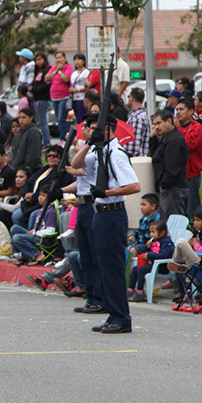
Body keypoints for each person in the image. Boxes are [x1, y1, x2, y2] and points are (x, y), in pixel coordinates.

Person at [72, 114, 141, 334]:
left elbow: (134, 186)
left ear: (108, 129)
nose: (92, 132)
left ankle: (122, 317)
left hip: (112, 213)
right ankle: (113, 313)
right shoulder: (99, 150)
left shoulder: (116, 153)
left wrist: (107, 192)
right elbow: (76, 163)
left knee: (112, 267)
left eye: (95, 129)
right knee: (103, 266)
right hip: (99, 214)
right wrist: (90, 142)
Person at [167, 205, 202, 301]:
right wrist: (192, 245)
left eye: (198, 220)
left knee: (181, 242)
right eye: (194, 220)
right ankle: (181, 264)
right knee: (183, 245)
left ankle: (178, 262)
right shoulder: (199, 234)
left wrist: (196, 245)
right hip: (198, 263)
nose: (195, 223)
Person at [149, 109, 189, 219]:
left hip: (173, 189)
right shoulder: (166, 138)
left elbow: (172, 167)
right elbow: (155, 156)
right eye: (153, 124)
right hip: (170, 188)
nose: (156, 127)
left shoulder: (174, 140)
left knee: (174, 223)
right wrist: (152, 138)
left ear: (168, 121)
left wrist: (164, 185)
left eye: (158, 123)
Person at [127, 220, 174, 302]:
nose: (151, 234)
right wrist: (148, 247)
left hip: (163, 267)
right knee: (135, 268)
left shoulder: (166, 243)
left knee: (141, 269)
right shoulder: (154, 241)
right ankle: (130, 289)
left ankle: (140, 291)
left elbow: (163, 255)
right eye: (150, 232)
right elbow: (152, 251)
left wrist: (149, 255)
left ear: (162, 233)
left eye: (153, 232)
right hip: (154, 266)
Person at [11, 186, 57, 266]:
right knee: (14, 228)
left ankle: (38, 255)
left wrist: (35, 232)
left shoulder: (50, 212)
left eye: (44, 195)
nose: (40, 198)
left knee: (17, 238)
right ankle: (23, 255)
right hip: (36, 235)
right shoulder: (39, 211)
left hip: (44, 239)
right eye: (40, 195)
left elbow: (51, 231)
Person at [175, 98, 202, 217]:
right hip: (178, 174)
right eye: (177, 109)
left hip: (191, 174)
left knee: (192, 210)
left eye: (181, 109)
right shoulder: (176, 127)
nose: (178, 112)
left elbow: (190, 145)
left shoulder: (197, 127)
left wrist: (178, 129)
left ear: (191, 111)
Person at [44, 51, 74, 142]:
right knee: (58, 119)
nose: (58, 60)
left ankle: (64, 139)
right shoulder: (54, 68)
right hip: (54, 97)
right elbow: (46, 78)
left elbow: (66, 79)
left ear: (65, 59)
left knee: (61, 119)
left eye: (60, 57)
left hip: (64, 97)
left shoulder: (69, 67)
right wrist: (56, 70)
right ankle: (63, 138)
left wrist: (60, 71)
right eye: (57, 58)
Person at [127, 193, 161, 258]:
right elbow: (139, 230)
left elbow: (147, 238)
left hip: (149, 244)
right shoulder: (143, 218)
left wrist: (134, 245)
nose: (141, 207)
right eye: (141, 205)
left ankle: (132, 267)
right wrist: (133, 235)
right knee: (124, 246)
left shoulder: (154, 220)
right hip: (140, 242)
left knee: (133, 250)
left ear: (153, 206)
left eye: (144, 205)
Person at [29, 51, 52, 147]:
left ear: (44, 59)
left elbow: (45, 85)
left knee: (42, 122)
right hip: (37, 99)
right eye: (36, 60)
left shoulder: (47, 70)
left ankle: (46, 142)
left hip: (42, 99)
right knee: (41, 122)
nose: (38, 62)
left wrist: (34, 89)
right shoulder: (38, 70)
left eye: (40, 59)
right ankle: (44, 141)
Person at [11, 108, 42, 174]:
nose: (21, 120)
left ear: (31, 118)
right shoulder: (19, 132)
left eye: (24, 117)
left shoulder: (34, 132)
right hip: (16, 168)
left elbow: (34, 153)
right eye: (19, 118)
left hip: (29, 170)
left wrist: (27, 169)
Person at [125, 87, 151, 157]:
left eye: (128, 97)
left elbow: (133, 148)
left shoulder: (136, 118)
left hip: (134, 162)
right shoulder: (140, 116)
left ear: (131, 98)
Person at [69, 53, 90, 123]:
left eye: (79, 59)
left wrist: (77, 90)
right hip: (75, 98)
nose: (76, 61)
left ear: (83, 61)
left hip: (82, 98)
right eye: (75, 60)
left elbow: (88, 87)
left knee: (83, 118)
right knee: (77, 118)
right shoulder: (74, 73)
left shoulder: (86, 72)